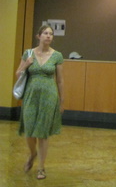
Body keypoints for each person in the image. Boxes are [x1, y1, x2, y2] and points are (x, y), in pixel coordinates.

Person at [16, 23, 65, 180]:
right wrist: (26, 64)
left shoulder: (57, 55)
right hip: (31, 95)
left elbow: (60, 80)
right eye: (45, 33)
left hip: (49, 96)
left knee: (43, 133)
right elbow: (18, 73)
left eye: (51, 33)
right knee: (29, 130)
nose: (48, 36)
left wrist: (62, 101)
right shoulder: (28, 53)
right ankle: (33, 154)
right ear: (38, 36)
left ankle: (41, 168)